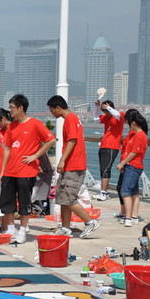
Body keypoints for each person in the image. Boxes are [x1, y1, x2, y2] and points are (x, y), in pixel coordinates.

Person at [0, 94, 56, 244]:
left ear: (20, 108)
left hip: (26, 171)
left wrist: (35, 155)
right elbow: (7, 149)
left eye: (12, 107)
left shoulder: (35, 124)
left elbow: (51, 140)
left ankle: (22, 231)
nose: (9, 110)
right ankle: (11, 230)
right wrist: (2, 170)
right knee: (7, 202)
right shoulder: (11, 126)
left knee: (24, 203)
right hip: (10, 171)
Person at [47, 95, 101, 238]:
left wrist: (62, 160)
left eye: (52, 110)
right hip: (72, 165)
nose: (52, 113)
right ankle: (65, 228)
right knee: (63, 197)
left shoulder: (70, 119)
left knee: (69, 198)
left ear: (58, 108)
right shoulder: (73, 118)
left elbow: (72, 140)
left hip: (73, 165)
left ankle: (90, 222)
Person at [116, 112, 148, 227]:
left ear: (133, 123)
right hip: (133, 165)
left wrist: (122, 163)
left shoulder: (140, 135)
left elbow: (134, 152)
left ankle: (128, 217)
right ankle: (134, 217)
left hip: (133, 166)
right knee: (133, 193)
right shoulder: (138, 134)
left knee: (125, 192)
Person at [92, 99, 124, 201]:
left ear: (112, 108)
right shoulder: (106, 118)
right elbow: (96, 118)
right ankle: (103, 191)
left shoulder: (119, 116)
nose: (106, 112)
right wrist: (97, 107)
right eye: (104, 110)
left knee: (106, 169)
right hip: (103, 146)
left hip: (112, 146)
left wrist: (108, 107)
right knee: (102, 169)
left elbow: (118, 115)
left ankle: (104, 193)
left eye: (107, 110)